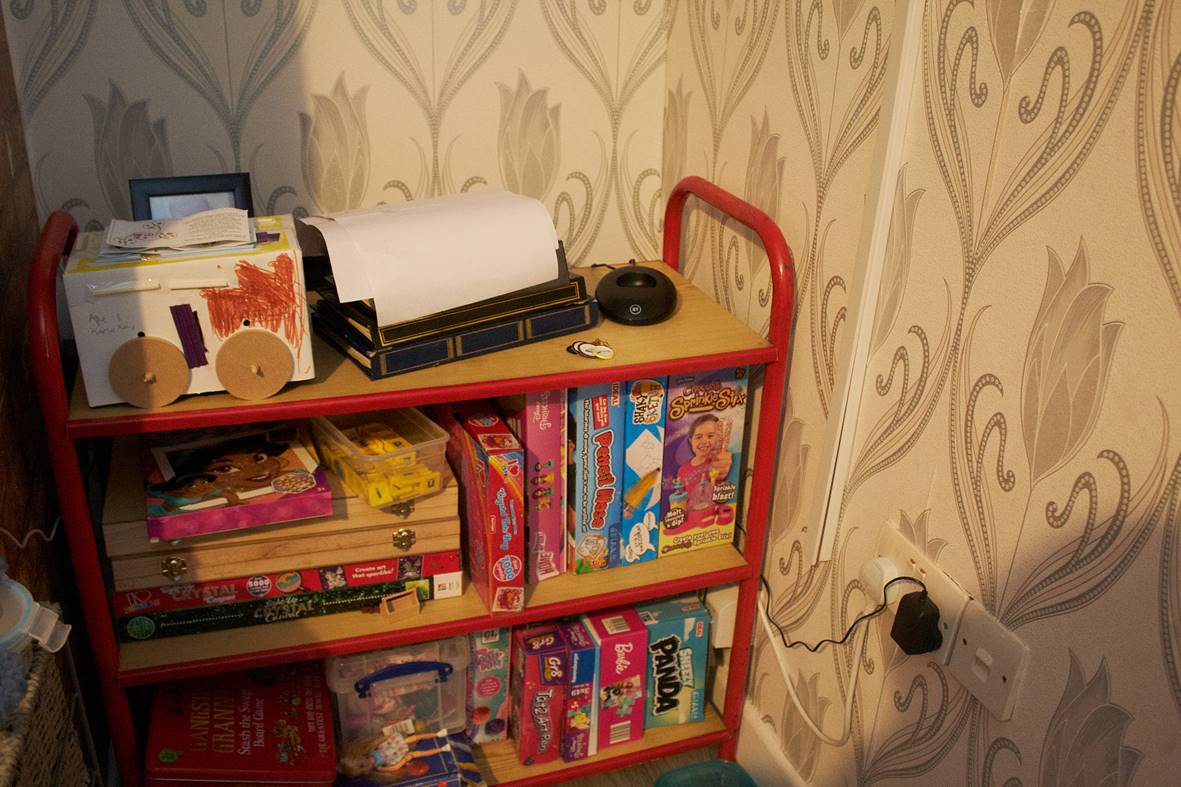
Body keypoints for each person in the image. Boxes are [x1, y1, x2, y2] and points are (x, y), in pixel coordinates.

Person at [676, 414, 732, 512]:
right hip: (691, 516)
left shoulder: (719, 462)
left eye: (710, 436)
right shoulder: (682, 470)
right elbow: (681, 497)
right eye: (698, 437)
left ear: (718, 438)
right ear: (691, 441)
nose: (705, 441)